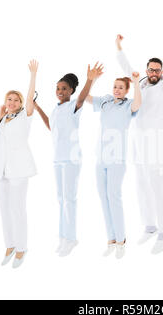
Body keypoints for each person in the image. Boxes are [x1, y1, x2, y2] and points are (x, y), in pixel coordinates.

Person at [115, 34, 163, 254]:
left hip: (156, 142)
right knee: (142, 184)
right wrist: (119, 48)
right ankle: (150, 226)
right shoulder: (140, 83)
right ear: (146, 70)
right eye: (151, 70)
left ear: (161, 72)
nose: (154, 73)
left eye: (157, 70)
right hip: (138, 140)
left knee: (158, 186)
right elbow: (126, 70)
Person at [34, 63, 103, 257]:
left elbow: (82, 97)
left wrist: (90, 79)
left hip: (71, 159)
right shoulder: (56, 109)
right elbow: (51, 127)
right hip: (57, 158)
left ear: (71, 90)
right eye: (57, 88)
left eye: (64, 88)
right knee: (61, 199)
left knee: (69, 200)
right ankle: (63, 237)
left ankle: (71, 238)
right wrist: (38, 107)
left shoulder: (74, 105)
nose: (60, 91)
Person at [0, 60, 39, 268]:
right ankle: (10, 245)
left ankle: (22, 248)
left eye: (16, 100)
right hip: (2, 171)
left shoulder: (24, 116)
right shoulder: (3, 119)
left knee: (17, 209)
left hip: (19, 170)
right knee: (4, 209)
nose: (12, 102)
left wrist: (33, 76)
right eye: (9, 99)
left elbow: (29, 101)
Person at [86, 72, 142, 259]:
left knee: (114, 197)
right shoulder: (106, 101)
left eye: (120, 87)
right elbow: (85, 97)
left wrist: (135, 83)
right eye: (115, 86)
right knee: (104, 198)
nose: (116, 90)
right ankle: (111, 239)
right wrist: (92, 80)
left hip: (117, 160)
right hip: (100, 159)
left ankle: (121, 240)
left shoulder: (128, 105)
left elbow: (137, 104)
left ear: (126, 91)